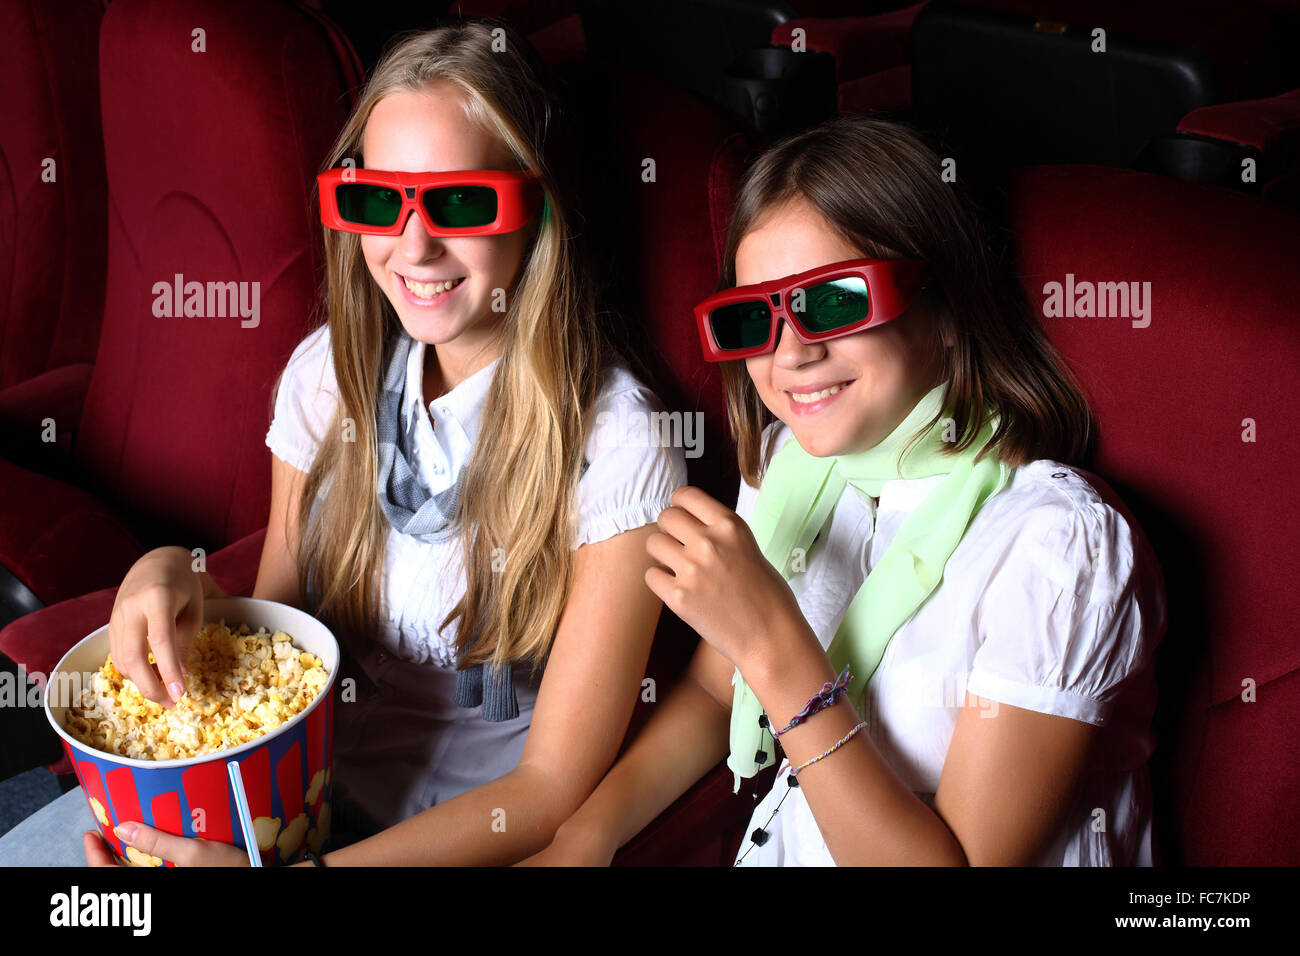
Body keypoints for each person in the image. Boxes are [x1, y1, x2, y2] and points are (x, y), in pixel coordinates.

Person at [0, 21, 685, 866]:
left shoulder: (622, 446)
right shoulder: (326, 374)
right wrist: (177, 573)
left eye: (461, 201)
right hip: (276, 793)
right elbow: (281, 625)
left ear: (536, 209)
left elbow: (547, 793)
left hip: (444, 839)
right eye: (374, 201)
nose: (413, 247)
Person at [522, 114, 1166, 867]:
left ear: (949, 309)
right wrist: (583, 840)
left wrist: (776, 647)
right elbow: (713, 692)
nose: (793, 352)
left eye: (834, 301)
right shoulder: (789, 461)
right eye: (752, 317)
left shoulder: (1064, 546)